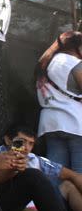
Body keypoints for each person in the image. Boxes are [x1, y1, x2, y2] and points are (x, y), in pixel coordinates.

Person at [0, 123, 82, 211]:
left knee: (69, 185)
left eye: (31, 143)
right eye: (21, 142)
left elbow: (73, 175)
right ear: (8, 140)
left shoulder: (33, 158)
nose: (26, 148)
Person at [35, 31, 82, 174]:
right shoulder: (75, 64)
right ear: (78, 46)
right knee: (79, 172)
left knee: (55, 173)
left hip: (50, 124)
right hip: (75, 123)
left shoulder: (44, 65)